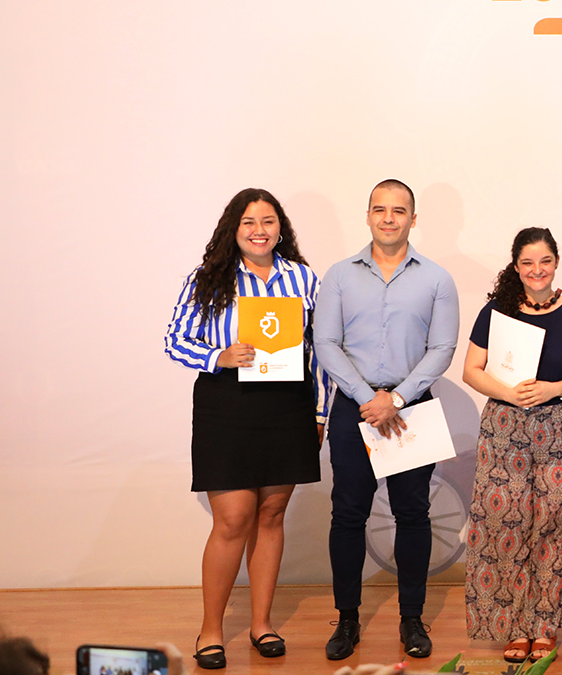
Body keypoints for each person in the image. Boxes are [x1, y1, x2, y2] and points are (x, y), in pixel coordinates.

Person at [164, 188, 326, 668]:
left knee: (271, 515)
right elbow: (175, 339)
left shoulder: (303, 278)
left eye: (268, 221)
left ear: (281, 228)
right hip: (227, 404)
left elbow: (319, 349)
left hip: (287, 406)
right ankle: (211, 630)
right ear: (233, 228)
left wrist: (319, 412)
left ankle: (261, 624)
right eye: (249, 222)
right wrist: (219, 355)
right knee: (233, 519)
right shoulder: (208, 278)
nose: (259, 230)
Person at [314, 179, 460, 661]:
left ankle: (412, 619)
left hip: (411, 407)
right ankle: (347, 619)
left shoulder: (437, 279)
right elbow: (325, 342)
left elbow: (442, 348)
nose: (389, 218)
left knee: (412, 514)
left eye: (399, 211)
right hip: (353, 408)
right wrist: (367, 399)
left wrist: (395, 399)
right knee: (347, 515)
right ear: (368, 216)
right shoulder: (339, 276)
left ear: (413, 219)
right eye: (380, 209)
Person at [460, 228, 562, 663]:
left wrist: (555, 388)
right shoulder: (496, 312)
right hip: (504, 429)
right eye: (527, 263)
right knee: (506, 524)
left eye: (544, 261)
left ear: (556, 262)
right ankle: (514, 627)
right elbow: (471, 369)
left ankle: (543, 626)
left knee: (553, 526)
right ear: (516, 266)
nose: (537, 270)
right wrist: (509, 393)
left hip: (561, 430)